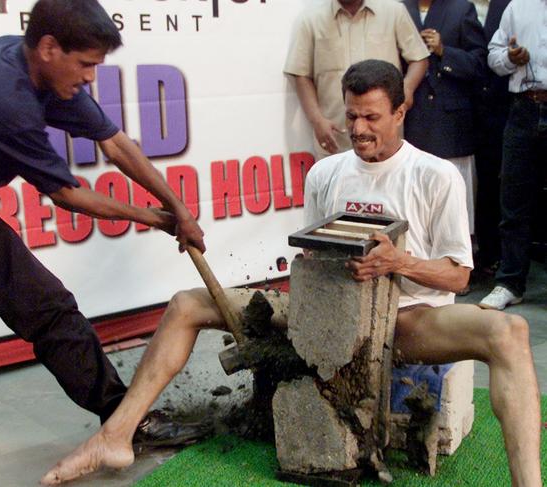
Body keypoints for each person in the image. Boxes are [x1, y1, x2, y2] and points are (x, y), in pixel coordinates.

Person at [40, 60, 542, 487]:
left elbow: (457, 277)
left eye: (372, 117)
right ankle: (116, 436)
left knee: (510, 330)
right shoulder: (326, 173)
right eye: (351, 116)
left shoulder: (436, 175)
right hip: (321, 317)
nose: (359, 128)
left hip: (405, 320)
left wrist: (399, 262)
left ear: (401, 111)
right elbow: (309, 258)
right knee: (187, 303)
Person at [0, 0, 207, 450]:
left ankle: (125, 419)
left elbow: (116, 145)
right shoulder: (2, 96)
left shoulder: (39, 73)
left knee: (49, 308)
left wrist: (178, 209)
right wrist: (155, 219)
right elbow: (68, 195)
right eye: (84, 65)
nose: (89, 78)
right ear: (48, 47)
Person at [283, 0, 429, 160]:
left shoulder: (393, 11)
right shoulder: (311, 20)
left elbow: (419, 58)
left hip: (385, 141)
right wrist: (317, 120)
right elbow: (300, 74)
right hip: (336, 139)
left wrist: (406, 91)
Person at [479, 0, 547, 310]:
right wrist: (510, 56)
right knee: (513, 201)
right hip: (522, 108)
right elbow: (493, 57)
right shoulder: (518, 6)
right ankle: (509, 282)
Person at [402, 0, 487, 240]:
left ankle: (457, 267)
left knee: (455, 213)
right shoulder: (398, 9)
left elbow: (480, 66)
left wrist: (444, 51)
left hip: (451, 129)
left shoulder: (461, 9)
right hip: (410, 123)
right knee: (414, 210)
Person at [472, 0, 512, 277]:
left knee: (498, 184)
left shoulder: (510, 4)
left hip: (505, 105)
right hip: (460, 104)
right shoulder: (451, 5)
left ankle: (494, 256)